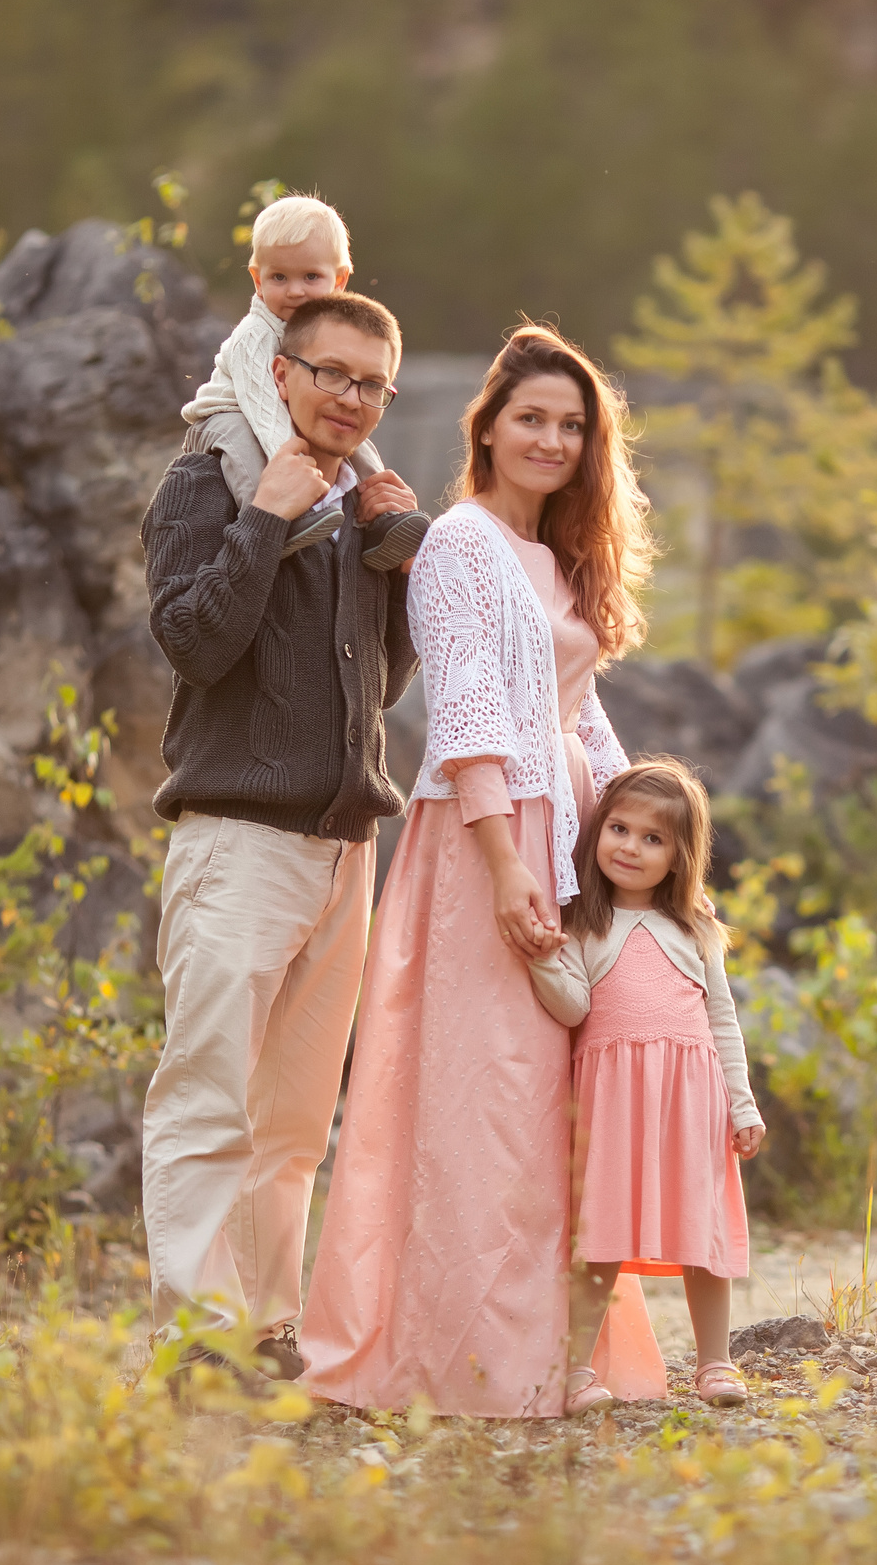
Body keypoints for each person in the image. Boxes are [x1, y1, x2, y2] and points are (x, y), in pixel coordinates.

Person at [302, 324, 668, 1418]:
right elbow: (461, 710)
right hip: (485, 843)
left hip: (564, 835)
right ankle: (465, 1359)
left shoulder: (563, 559)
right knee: (485, 1098)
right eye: (531, 420)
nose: (551, 440)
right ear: (490, 430)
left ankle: (555, 1352)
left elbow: (579, 714)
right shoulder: (460, 541)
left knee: (552, 1102)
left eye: (571, 425)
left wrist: (644, 841)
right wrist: (507, 863)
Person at [139, 290, 427, 1376]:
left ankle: (264, 1330)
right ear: (280, 373)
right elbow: (193, 644)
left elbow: (381, 686)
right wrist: (263, 516)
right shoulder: (204, 482)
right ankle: (192, 1342)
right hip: (238, 838)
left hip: (343, 847)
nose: (350, 397)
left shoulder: (358, 502)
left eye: (371, 384)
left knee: (296, 1121)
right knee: (207, 1095)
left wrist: (397, 560)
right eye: (330, 373)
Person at [527, 760, 767, 1412]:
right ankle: (577, 1371)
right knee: (599, 1235)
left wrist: (742, 1104)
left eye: (653, 838)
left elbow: (722, 1020)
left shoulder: (696, 928)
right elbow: (573, 1007)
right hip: (610, 1103)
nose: (630, 847)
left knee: (703, 1233)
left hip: (692, 1101)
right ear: (598, 830)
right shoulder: (584, 924)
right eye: (620, 829)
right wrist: (543, 958)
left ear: (680, 856)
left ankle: (715, 1362)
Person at [179, 192, 424, 565]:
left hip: (280, 417)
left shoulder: (330, 332)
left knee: (356, 442)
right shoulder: (254, 336)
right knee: (246, 454)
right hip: (230, 414)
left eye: (311, 276)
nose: (295, 291)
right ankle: (278, 520)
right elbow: (264, 411)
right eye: (279, 277)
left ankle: (384, 520)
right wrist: (294, 475)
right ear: (257, 279)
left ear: (339, 279)